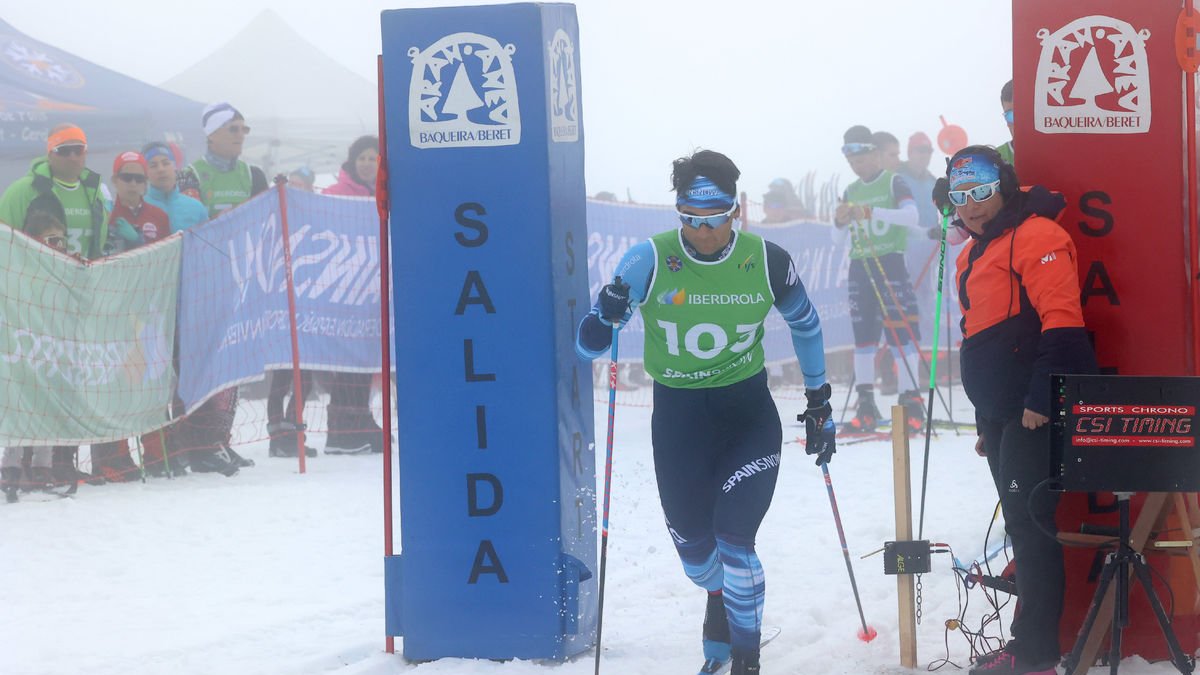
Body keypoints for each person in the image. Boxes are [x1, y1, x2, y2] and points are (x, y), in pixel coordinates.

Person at [576, 150, 835, 675]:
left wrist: (818, 401)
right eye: (689, 219)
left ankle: (745, 660)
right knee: (698, 557)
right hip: (679, 420)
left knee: (736, 540)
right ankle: (718, 599)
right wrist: (604, 316)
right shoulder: (648, 258)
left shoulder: (768, 260)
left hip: (746, 417)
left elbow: (806, 326)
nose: (702, 230)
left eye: (714, 217)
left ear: (735, 211)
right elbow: (588, 347)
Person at [934, 147, 1097, 675]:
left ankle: (1034, 654)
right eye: (961, 197)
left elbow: (1064, 325)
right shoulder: (972, 252)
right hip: (1003, 415)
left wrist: (1040, 400)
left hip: (1035, 411)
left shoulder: (1037, 235)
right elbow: (980, 337)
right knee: (1022, 528)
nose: (972, 207)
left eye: (981, 193)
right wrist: (990, 420)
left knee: (1030, 527)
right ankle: (1026, 647)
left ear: (1002, 186)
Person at [173, 102, 269, 474]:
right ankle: (197, 443)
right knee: (200, 364)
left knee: (233, 363)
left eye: (244, 129)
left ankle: (220, 440)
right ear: (211, 134)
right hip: (201, 285)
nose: (241, 135)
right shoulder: (191, 175)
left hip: (241, 282)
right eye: (233, 129)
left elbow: (266, 222)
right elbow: (195, 222)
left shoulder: (253, 173)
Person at [834, 125, 925, 432]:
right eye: (851, 161)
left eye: (861, 158)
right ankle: (866, 405)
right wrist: (839, 220)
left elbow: (911, 217)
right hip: (861, 265)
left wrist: (873, 212)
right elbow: (836, 239)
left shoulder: (893, 181)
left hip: (891, 261)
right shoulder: (850, 190)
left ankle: (910, 401)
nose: (856, 165)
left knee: (901, 334)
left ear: (873, 153)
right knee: (864, 340)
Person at [318, 135, 386, 454]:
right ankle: (340, 430)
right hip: (344, 288)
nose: (367, 164)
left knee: (366, 357)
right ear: (351, 161)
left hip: (374, 288)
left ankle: (360, 419)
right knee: (346, 357)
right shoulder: (334, 195)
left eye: (373, 158)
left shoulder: (386, 194)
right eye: (362, 158)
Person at [1, 212, 74, 501]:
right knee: (20, 404)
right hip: (23, 349)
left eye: (62, 241)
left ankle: (43, 465)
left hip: (52, 350)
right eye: (52, 241)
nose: (59, 247)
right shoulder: (19, 270)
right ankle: (11, 465)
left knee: (48, 406)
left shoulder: (64, 270)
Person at [0, 123, 108, 259]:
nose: (72, 157)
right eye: (64, 151)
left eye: (78, 150)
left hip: (81, 278)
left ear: (85, 152)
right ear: (50, 154)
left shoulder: (94, 193)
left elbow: (98, 245)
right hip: (37, 277)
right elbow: (3, 241)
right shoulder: (23, 190)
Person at [143, 142, 208, 233]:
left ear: (175, 166)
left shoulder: (196, 208)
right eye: (153, 166)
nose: (161, 169)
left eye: (166, 163)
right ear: (145, 173)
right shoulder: (139, 209)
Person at [998, 80, 1014, 164]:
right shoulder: (996, 158)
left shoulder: (1055, 152)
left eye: (1022, 113)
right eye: (1010, 115)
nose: (1017, 122)